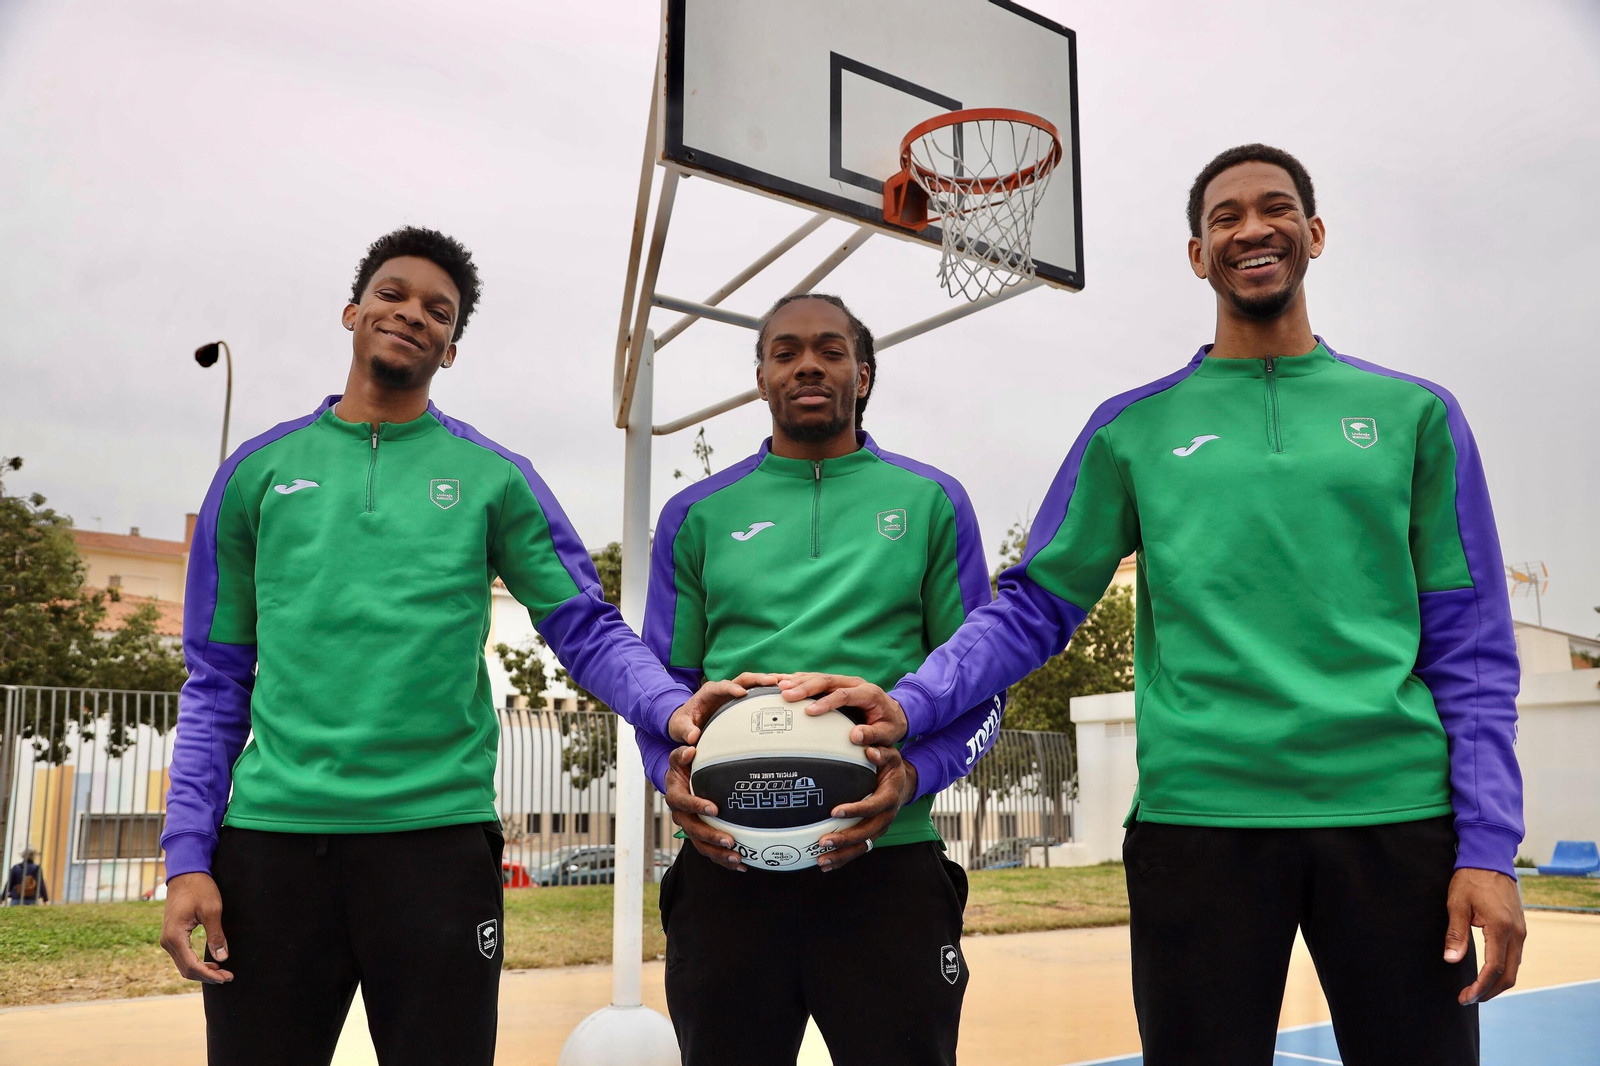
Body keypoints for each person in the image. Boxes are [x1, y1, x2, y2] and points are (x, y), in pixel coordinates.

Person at [784, 145, 1526, 1065]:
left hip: (1395, 823)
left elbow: (1473, 653)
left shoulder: (1416, 414)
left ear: (1315, 234)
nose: (1251, 228)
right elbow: (1033, 608)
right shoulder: (1133, 429)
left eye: (1275, 208)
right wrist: (915, 701)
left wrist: (1489, 845)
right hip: (1198, 828)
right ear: (1197, 253)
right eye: (1225, 217)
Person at [158, 226, 737, 1066]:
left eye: (438, 310)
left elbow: (582, 623)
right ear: (353, 310)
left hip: (436, 845)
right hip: (273, 848)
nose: (412, 315)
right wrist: (186, 857)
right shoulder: (256, 472)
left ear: (451, 348)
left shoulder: (494, 477)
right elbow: (216, 681)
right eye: (393, 294)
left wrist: (671, 705)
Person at [639, 294, 1006, 1066]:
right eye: (786, 352)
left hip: (888, 869)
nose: (808, 363)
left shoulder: (931, 501)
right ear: (761, 379)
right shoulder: (695, 514)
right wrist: (664, 775)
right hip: (726, 871)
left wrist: (912, 774)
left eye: (831, 350)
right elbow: (663, 696)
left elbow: (983, 690)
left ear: (862, 375)